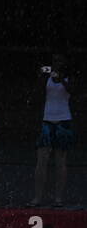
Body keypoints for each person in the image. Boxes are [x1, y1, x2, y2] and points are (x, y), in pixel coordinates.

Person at [31, 53, 73, 208]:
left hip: (63, 121)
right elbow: (37, 92)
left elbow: (72, 91)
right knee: (41, 161)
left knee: (60, 161)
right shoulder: (47, 77)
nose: (57, 64)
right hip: (47, 121)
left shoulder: (69, 78)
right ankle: (37, 197)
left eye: (60, 61)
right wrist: (41, 74)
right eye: (55, 61)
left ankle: (58, 198)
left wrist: (61, 78)